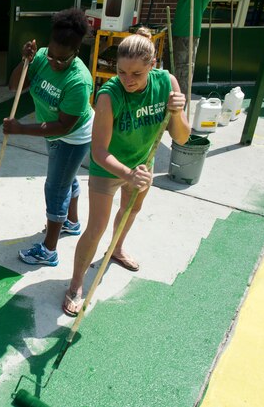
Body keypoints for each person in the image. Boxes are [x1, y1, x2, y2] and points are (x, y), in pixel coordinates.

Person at [62, 28, 190, 317]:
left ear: (152, 66)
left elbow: (182, 138)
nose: (128, 80)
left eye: (136, 74)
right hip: (110, 168)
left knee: (130, 212)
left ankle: (117, 249)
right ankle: (76, 284)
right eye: (121, 72)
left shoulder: (167, 82)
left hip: (144, 164)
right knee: (95, 228)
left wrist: (178, 111)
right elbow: (99, 152)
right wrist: (128, 174)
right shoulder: (109, 96)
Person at [4, 8, 94, 267]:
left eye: (62, 60)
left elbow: (63, 126)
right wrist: (26, 61)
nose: (54, 62)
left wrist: (21, 129)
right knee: (67, 177)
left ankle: (49, 250)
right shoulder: (41, 57)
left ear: (76, 52)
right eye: (52, 54)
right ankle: (71, 222)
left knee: (56, 187)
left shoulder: (79, 80)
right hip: (54, 133)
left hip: (73, 137)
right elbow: (14, 86)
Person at [168, 0, 219, 97]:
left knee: (183, 74)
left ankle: (179, 111)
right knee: (172, 71)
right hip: (176, 30)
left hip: (188, 34)